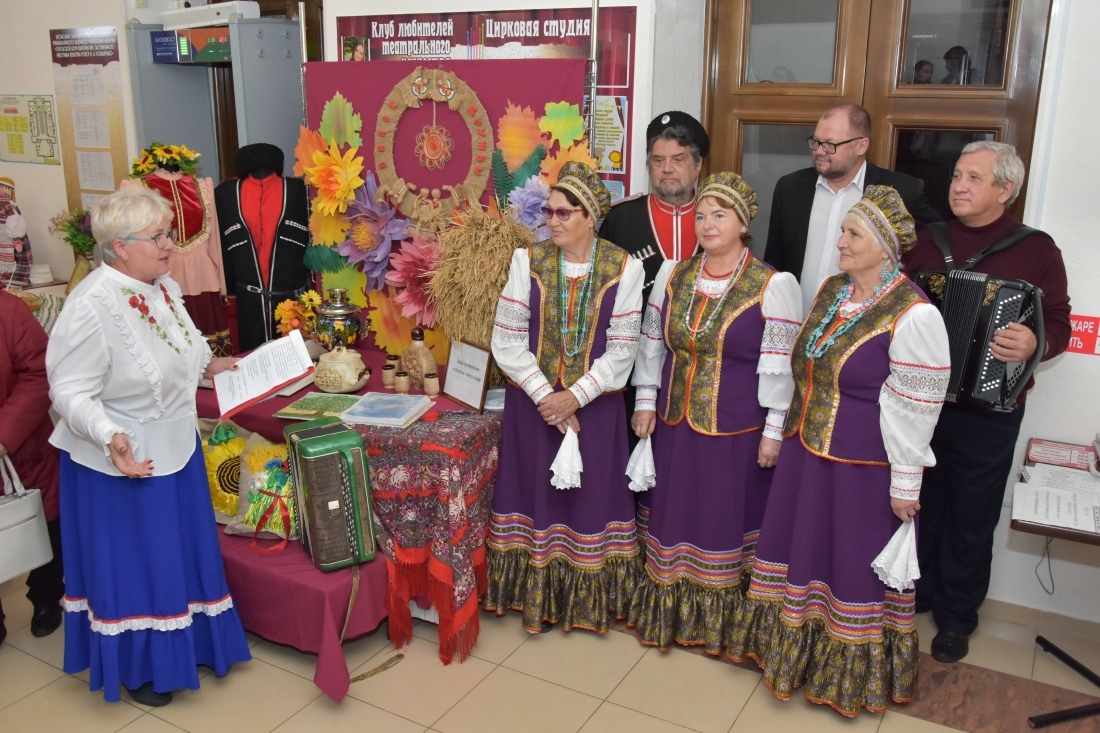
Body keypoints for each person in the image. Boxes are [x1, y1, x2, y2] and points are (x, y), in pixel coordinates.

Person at [730, 186, 950, 716]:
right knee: (802, 554)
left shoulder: (914, 314)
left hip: (862, 467)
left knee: (848, 565)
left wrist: (906, 484)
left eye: (853, 234)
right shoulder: (832, 291)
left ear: (885, 246)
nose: (841, 242)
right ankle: (794, 658)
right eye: (844, 232)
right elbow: (801, 367)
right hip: (807, 453)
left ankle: (845, 675)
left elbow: (917, 409)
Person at [47, 186, 252, 707]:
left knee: (177, 556)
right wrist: (109, 434)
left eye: (169, 234)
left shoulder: (162, 286)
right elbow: (68, 390)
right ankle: (143, 668)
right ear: (119, 246)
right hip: (121, 463)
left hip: (175, 447)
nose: (170, 245)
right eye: (158, 237)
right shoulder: (91, 304)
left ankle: (192, 646)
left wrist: (213, 366)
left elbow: (183, 348)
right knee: (139, 566)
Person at [904, 141, 1071, 663]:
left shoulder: (1037, 250)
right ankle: (915, 593)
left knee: (971, 516)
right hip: (921, 405)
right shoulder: (925, 242)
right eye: (957, 175)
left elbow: (1059, 321)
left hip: (989, 412)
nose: (958, 186)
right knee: (917, 504)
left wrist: (1036, 343)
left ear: (1005, 189)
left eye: (973, 178)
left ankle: (956, 616)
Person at [628, 172, 801, 654]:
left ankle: (723, 625)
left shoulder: (773, 285)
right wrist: (646, 401)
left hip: (737, 432)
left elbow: (781, 368)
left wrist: (773, 431)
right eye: (701, 215)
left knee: (722, 521)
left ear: (743, 224)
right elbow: (652, 344)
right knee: (676, 518)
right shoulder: (673, 274)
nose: (707, 224)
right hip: (676, 425)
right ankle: (671, 614)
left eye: (719, 215)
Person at [485, 161, 644, 634]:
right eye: (548, 212)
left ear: (591, 217)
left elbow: (623, 349)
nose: (552, 221)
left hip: (595, 409)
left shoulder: (625, 267)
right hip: (534, 408)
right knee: (536, 496)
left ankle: (587, 604)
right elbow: (507, 340)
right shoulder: (527, 261)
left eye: (563, 213)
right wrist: (547, 398)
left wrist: (574, 397)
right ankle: (532, 597)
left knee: (589, 501)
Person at [763, 104, 941, 315]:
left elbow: (937, 244)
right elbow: (774, 261)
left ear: (861, 146)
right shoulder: (790, 188)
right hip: (795, 321)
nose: (819, 151)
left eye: (830, 145)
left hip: (865, 325)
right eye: (816, 142)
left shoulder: (900, 191)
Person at [0, 289, 64, 645]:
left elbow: (38, 375)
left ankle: (45, 599)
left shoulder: (8, 310)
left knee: (44, 526)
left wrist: (4, 435)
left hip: (23, 449)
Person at [600, 111, 710, 300]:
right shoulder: (621, 218)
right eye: (658, 160)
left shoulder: (717, 218)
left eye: (678, 160)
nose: (667, 168)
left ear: (698, 164)